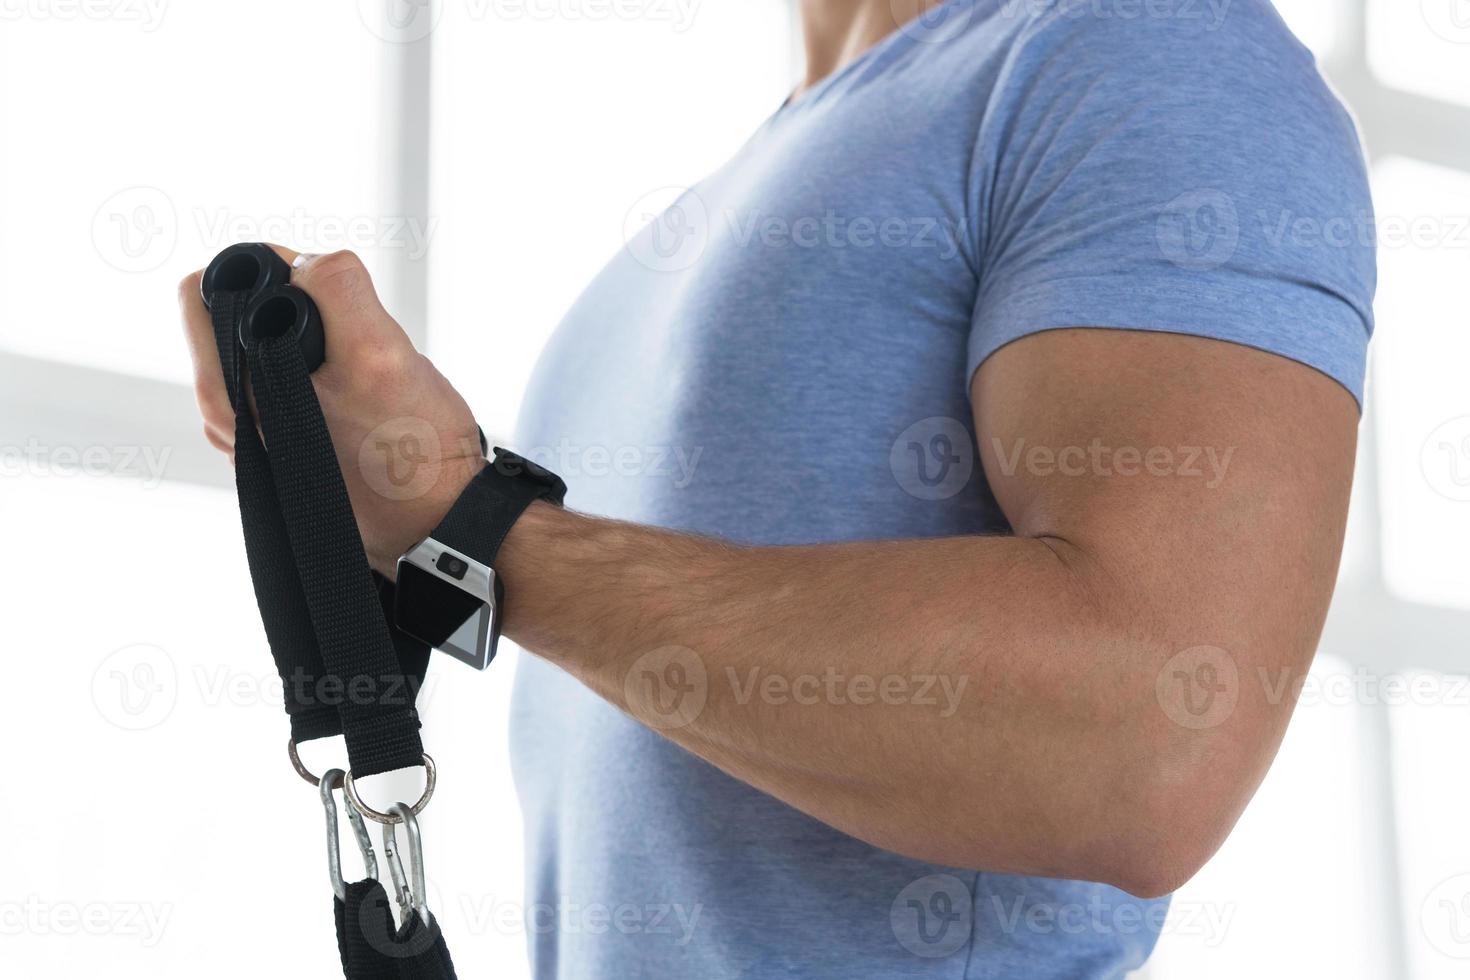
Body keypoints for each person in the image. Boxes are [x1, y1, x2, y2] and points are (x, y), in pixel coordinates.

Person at [179, 0, 1375, 975]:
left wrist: (471, 523)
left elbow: (1148, 735)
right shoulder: (684, 230)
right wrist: (375, 499)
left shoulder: (1148, 53)